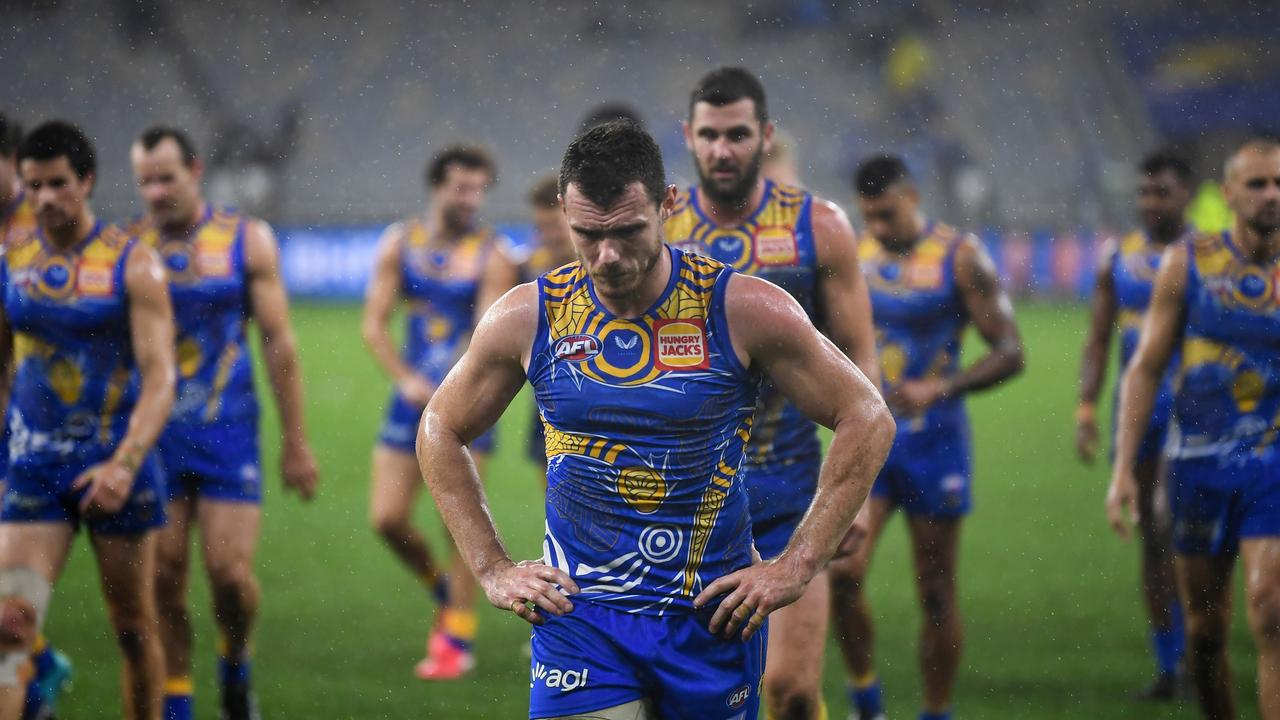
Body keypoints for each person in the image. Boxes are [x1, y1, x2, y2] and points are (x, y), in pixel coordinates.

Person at [419, 118, 892, 720]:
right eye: (586, 233)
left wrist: (796, 566)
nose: (607, 256)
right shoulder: (530, 316)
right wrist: (491, 567)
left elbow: (866, 415)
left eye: (628, 232)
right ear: (564, 209)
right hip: (580, 618)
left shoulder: (742, 308)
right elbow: (440, 426)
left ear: (668, 204)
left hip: (711, 616)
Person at [663, 67, 879, 719]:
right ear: (689, 137)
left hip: (789, 493)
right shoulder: (660, 226)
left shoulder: (820, 225)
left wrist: (860, 494)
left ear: (765, 135)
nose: (722, 149)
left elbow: (860, 358)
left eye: (736, 134)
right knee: (695, 695)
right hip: (687, 505)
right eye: (709, 135)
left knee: (787, 690)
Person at [128, 125, 319, 720]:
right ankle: (179, 697)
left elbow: (280, 344)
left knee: (230, 577)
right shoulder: (130, 251)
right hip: (153, 440)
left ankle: (235, 662)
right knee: (162, 576)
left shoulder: (245, 241)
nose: (156, 192)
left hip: (227, 431)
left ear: (196, 169)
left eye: (166, 177)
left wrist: (295, 442)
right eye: (145, 182)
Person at [830, 155, 1025, 720]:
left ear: (912, 196)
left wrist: (940, 387)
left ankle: (936, 712)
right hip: (870, 443)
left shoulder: (960, 257)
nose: (880, 230)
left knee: (935, 592)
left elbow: (1010, 351)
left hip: (935, 445)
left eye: (888, 215)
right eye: (870, 219)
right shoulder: (854, 254)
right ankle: (866, 697)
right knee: (843, 576)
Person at [0, 120, 175, 720]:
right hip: (34, 469)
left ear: (87, 182)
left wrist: (124, 465)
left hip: (114, 467)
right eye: (33, 185)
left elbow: (161, 377)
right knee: (9, 626)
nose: (45, 197)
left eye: (57, 184)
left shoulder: (134, 265)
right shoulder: (11, 262)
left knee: (132, 627)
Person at [1108, 139, 1280, 720]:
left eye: (1279, 183)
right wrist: (1123, 468)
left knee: (1269, 608)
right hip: (1197, 465)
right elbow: (1146, 367)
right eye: (1257, 183)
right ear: (1228, 193)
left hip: (1273, 460)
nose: (1271, 194)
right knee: (1206, 634)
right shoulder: (1191, 263)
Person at [363, 144, 506, 680]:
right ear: (437, 187)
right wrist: (405, 378)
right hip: (410, 399)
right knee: (387, 517)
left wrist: (453, 386)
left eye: (479, 189)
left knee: (458, 523)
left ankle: (454, 641)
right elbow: (373, 324)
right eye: (462, 188)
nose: (471, 199)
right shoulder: (400, 244)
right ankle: (443, 589)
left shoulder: (492, 253)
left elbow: (485, 332)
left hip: (467, 403)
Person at [1078, 151, 1194, 700]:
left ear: (1186, 195)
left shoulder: (1209, 259)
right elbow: (1099, 337)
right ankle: (1172, 663)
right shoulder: (1117, 257)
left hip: (1201, 415)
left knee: (1182, 531)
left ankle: (1203, 648)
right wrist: (1084, 407)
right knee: (1155, 536)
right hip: (1139, 416)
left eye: (1162, 192)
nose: (1151, 203)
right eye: (1144, 193)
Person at [477, 176, 576, 473]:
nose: (548, 236)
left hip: (601, 388)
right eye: (540, 227)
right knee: (553, 505)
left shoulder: (604, 269)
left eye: (554, 227)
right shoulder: (530, 268)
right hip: (550, 396)